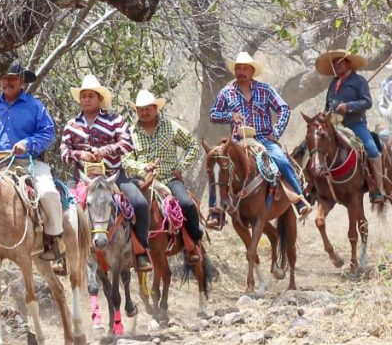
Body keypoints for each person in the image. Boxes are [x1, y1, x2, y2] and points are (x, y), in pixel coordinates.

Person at [0, 60, 66, 267]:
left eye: (12, 78)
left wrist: (28, 143)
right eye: (4, 77)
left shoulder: (35, 106)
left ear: (21, 81)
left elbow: (48, 133)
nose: (7, 82)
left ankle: (54, 241)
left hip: (28, 162)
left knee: (48, 193)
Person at [60, 74, 150, 271]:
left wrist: (106, 150)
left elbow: (128, 143)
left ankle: (142, 250)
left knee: (140, 204)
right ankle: (63, 255)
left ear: (99, 98)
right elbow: (64, 153)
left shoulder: (115, 120)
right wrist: (80, 154)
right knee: (63, 209)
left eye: (91, 96)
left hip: (113, 176)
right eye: (83, 96)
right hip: (82, 179)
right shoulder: (71, 124)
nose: (86, 99)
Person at [209, 52, 312, 218]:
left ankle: (300, 201)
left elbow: (283, 108)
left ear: (252, 71)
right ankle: (215, 212)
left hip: (263, 139)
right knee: (216, 164)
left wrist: (276, 131)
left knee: (281, 161)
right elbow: (213, 113)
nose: (241, 72)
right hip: (237, 142)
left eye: (245, 69)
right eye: (238, 69)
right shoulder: (226, 92)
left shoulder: (265, 90)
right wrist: (230, 116)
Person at [122, 89, 204, 262]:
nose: (144, 112)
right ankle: (135, 249)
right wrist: (144, 166)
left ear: (155, 108)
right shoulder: (130, 133)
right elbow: (126, 161)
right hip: (142, 181)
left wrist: (180, 167)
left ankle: (194, 242)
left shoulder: (170, 127)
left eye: (147, 108)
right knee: (130, 208)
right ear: (136, 111)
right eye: (140, 109)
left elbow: (193, 146)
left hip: (169, 178)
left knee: (187, 203)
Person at [316, 49, 385, 203]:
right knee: (312, 144)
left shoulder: (359, 81)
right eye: (334, 62)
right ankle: (312, 187)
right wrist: (324, 115)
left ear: (348, 63)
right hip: (334, 125)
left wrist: (348, 106)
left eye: (340, 61)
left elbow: (367, 102)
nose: (337, 64)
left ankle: (377, 189)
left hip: (356, 124)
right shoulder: (333, 83)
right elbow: (327, 106)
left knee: (372, 150)